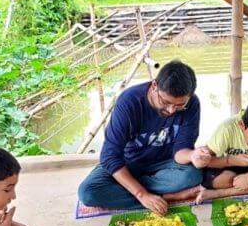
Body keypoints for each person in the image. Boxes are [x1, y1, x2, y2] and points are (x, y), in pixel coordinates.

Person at [78, 60, 208, 214]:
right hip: (130, 163)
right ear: (154, 86)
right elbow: (109, 156)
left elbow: (180, 151)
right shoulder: (129, 102)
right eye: (165, 102)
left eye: (179, 105)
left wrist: (193, 155)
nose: (172, 110)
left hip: (165, 163)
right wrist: (142, 194)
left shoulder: (192, 104)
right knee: (88, 192)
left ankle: (128, 189)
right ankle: (167, 196)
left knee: (192, 176)